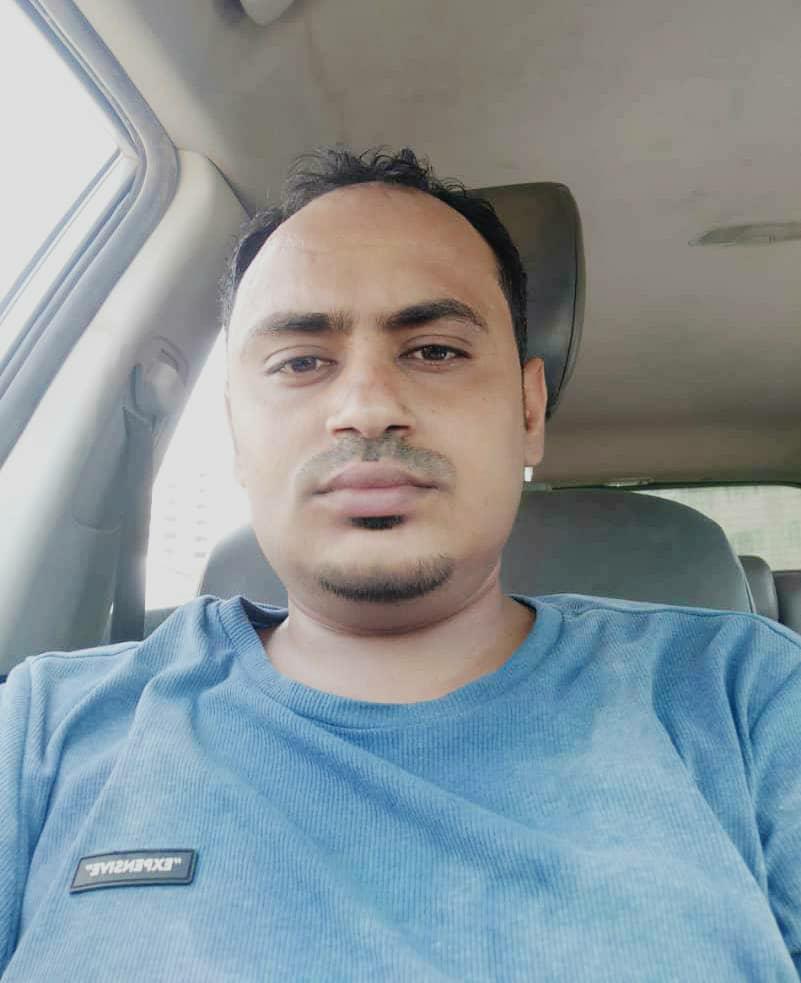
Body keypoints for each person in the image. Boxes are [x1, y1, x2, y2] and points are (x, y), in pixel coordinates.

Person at [1, 147, 800, 981]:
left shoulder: (745, 698)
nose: (366, 406)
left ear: (528, 410)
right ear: (237, 429)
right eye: (301, 361)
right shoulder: (42, 732)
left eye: (434, 351)